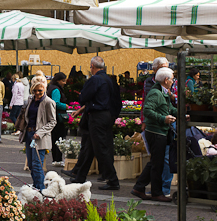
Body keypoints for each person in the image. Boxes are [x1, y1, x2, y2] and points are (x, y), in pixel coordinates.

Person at [72, 56, 120, 191]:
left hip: (97, 117)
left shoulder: (95, 80)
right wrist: (113, 115)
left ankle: (113, 180)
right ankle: (80, 176)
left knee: (100, 148)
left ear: (92, 66)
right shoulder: (110, 80)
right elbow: (118, 100)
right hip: (108, 116)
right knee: (92, 146)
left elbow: (83, 98)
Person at [131, 67, 177, 202]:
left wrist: (180, 113)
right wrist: (163, 119)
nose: (173, 81)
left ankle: (139, 187)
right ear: (166, 80)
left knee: (156, 162)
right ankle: (156, 192)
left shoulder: (163, 92)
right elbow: (147, 110)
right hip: (156, 132)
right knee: (157, 164)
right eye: (172, 79)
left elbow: (168, 108)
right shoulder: (156, 93)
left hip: (159, 131)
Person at [19, 81, 56, 190]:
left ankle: (41, 190)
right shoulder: (31, 100)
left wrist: (39, 133)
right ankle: (36, 187)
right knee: (31, 165)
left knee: (37, 165)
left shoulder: (49, 102)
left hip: (40, 136)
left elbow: (53, 122)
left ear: (44, 89)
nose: (37, 93)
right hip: (29, 134)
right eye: (35, 90)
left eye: (40, 90)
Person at [47, 72, 68, 167]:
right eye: (63, 81)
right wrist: (65, 106)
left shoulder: (51, 87)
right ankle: (58, 159)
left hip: (52, 116)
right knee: (59, 137)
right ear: (58, 80)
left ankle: (56, 158)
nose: (65, 83)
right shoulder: (56, 90)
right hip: (58, 117)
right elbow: (55, 102)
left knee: (54, 138)